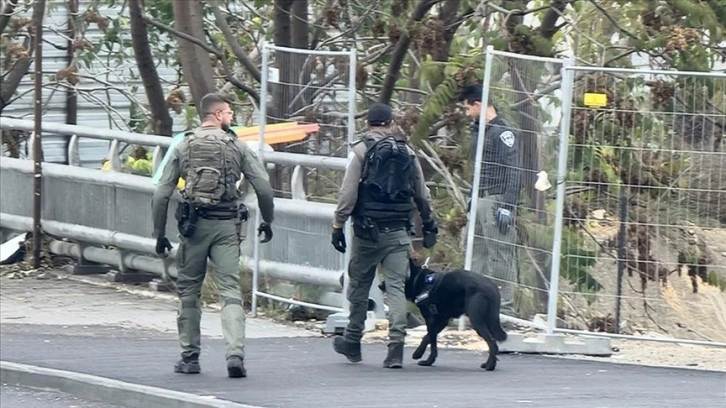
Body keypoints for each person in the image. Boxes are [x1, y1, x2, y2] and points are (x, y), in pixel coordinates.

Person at [151, 93, 275, 378]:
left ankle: (190, 357)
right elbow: (264, 187)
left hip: (194, 228)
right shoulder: (236, 146)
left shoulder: (184, 144)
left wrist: (159, 233)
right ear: (218, 115)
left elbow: (161, 194)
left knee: (189, 290)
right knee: (230, 289)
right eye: (229, 113)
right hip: (227, 228)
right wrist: (268, 220)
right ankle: (235, 355)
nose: (231, 118)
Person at [330, 102, 438, 369]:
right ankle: (395, 350)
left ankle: (353, 342)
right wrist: (429, 224)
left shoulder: (361, 151)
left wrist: (337, 224)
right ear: (391, 124)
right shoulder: (408, 153)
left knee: (358, 285)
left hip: (367, 233)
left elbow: (348, 194)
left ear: (368, 123)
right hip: (399, 232)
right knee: (396, 289)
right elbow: (422, 195)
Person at [458, 83, 521, 318]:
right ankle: (474, 307)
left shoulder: (502, 132)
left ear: (478, 105)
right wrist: (470, 197)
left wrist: (507, 205)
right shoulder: (479, 132)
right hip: (479, 197)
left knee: (500, 255)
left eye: (467, 109)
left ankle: (504, 310)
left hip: (495, 199)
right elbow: (477, 169)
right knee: (476, 255)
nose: (467, 114)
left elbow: (514, 170)